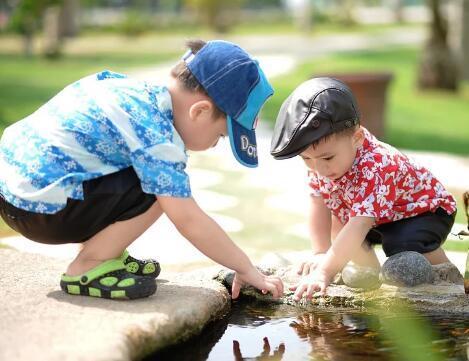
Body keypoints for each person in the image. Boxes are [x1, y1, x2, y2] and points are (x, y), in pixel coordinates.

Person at [0, 39, 284, 300]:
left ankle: (105, 251)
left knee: (149, 175)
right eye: (221, 136)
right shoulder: (158, 136)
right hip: (39, 210)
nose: (214, 145)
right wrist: (246, 268)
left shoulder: (132, 92)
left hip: (13, 192)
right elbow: (188, 219)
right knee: (164, 190)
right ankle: (89, 265)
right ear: (199, 111)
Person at [270, 77, 456, 300]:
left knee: (400, 244)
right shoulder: (322, 162)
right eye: (306, 159)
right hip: (379, 217)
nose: (318, 168)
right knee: (339, 226)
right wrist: (321, 252)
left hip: (425, 212)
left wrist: (324, 273)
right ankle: (371, 279)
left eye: (327, 157)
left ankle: (445, 276)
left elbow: (360, 224)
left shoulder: (377, 165)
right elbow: (318, 203)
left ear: (356, 138)